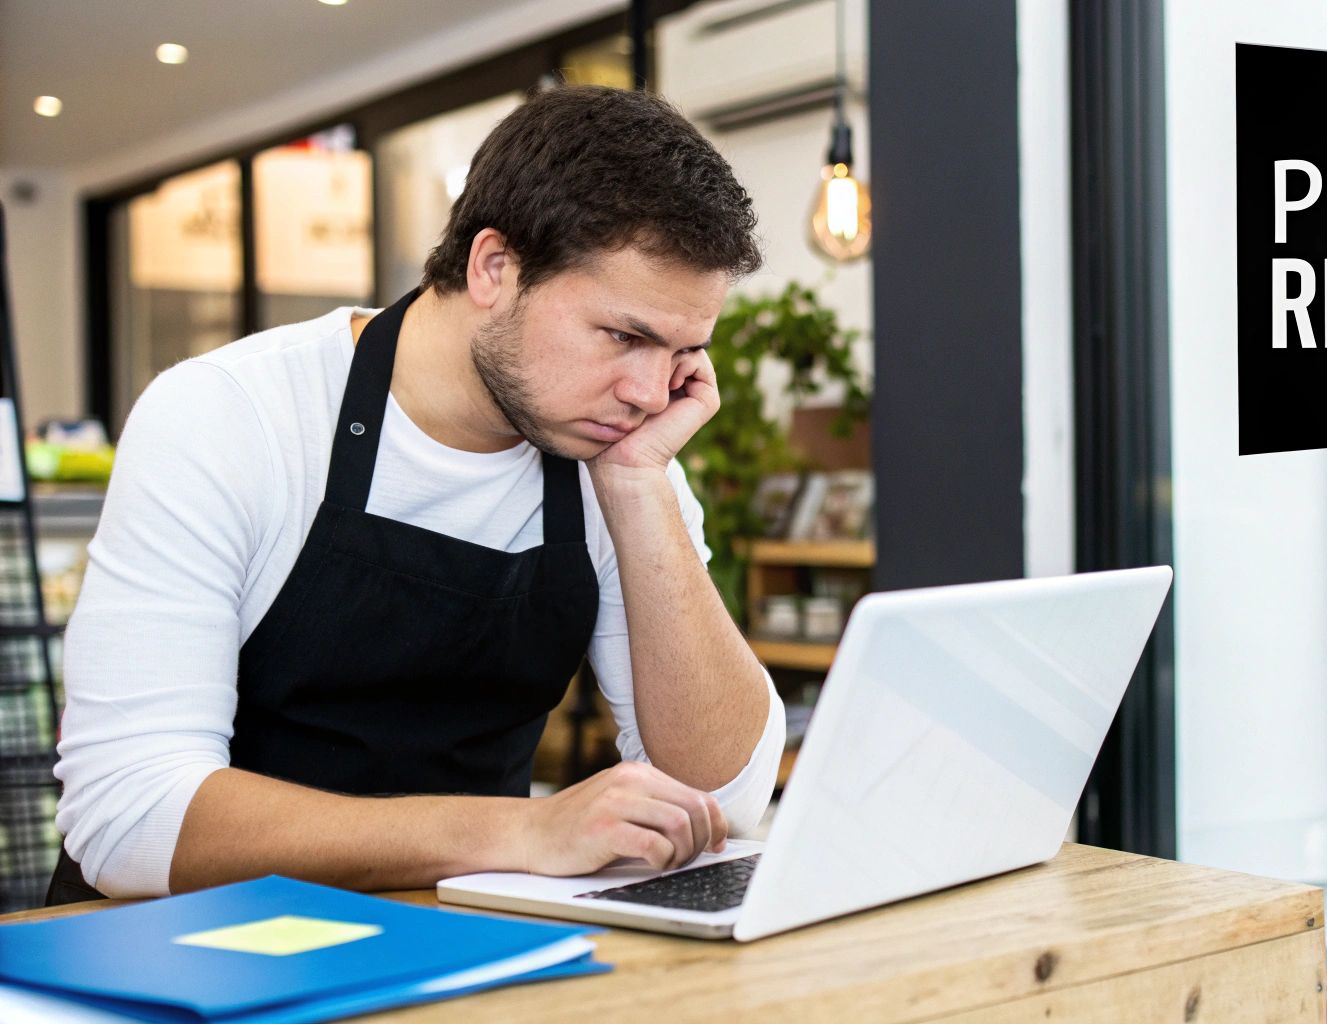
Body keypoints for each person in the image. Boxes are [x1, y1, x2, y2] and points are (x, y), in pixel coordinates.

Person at [47, 86, 786, 903]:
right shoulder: (232, 415)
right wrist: (521, 831)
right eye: (624, 336)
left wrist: (639, 485)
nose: (652, 392)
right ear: (495, 268)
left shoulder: (613, 451)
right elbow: (129, 818)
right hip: (180, 960)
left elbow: (723, 797)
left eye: (682, 350)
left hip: (459, 950)